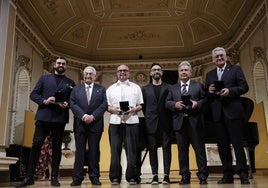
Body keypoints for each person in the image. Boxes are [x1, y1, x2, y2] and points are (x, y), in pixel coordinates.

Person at [16, 56, 75, 187]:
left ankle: (54, 178)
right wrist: (44, 101)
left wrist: (67, 104)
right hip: (43, 117)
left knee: (57, 149)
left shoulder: (70, 82)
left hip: (59, 119)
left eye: (63, 64)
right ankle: (29, 177)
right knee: (36, 146)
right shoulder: (44, 79)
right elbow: (33, 94)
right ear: (54, 65)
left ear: (66, 66)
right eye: (59, 63)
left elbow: (73, 100)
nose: (61, 65)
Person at [205, 47, 250, 184]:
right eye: (216, 57)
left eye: (221, 56)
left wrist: (229, 91)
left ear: (226, 57)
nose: (219, 58)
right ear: (213, 60)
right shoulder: (210, 74)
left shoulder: (235, 69)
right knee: (223, 146)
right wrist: (209, 90)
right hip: (217, 115)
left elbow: (244, 87)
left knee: (237, 144)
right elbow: (207, 96)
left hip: (233, 113)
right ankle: (227, 174)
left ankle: (243, 174)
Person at [166, 61, 208, 185]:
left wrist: (197, 104)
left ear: (190, 72)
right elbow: (167, 102)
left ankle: (202, 176)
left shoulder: (198, 86)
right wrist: (175, 104)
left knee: (199, 151)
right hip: (179, 123)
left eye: (186, 70)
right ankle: (185, 176)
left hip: (195, 122)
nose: (184, 72)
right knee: (182, 152)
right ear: (178, 73)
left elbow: (205, 100)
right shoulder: (172, 88)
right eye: (181, 70)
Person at [69, 66, 107, 186]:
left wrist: (93, 116)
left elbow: (104, 104)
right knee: (79, 151)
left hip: (95, 124)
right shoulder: (76, 89)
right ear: (83, 75)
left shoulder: (101, 89)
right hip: (80, 124)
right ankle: (77, 178)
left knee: (94, 151)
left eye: (91, 74)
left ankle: (94, 176)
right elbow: (72, 103)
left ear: (95, 76)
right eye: (86, 74)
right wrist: (84, 116)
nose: (88, 76)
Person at [106, 64, 143, 185]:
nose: (122, 72)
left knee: (132, 151)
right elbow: (106, 106)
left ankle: (132, 176)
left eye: (125, 70)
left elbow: (141, 105)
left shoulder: (136, 87)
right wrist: (113, 110)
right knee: (115, 152)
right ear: (116, 73)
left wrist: (133, 109)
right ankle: (115, 177)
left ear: (129, 73)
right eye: (120, 71)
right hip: (115, 122)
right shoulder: (110, 89)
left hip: (131, 121)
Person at [141, 63, 172, 185]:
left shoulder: (169, 87)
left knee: (166, 149)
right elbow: (144, 107)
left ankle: (166, 175)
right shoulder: (145, 89)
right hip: (151, 122)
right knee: (152, 149)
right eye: (154, 70)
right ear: (150, 73)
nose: (156, 71)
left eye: (158, 69)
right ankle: (154, 176)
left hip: (166, 123)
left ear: (162, 72)